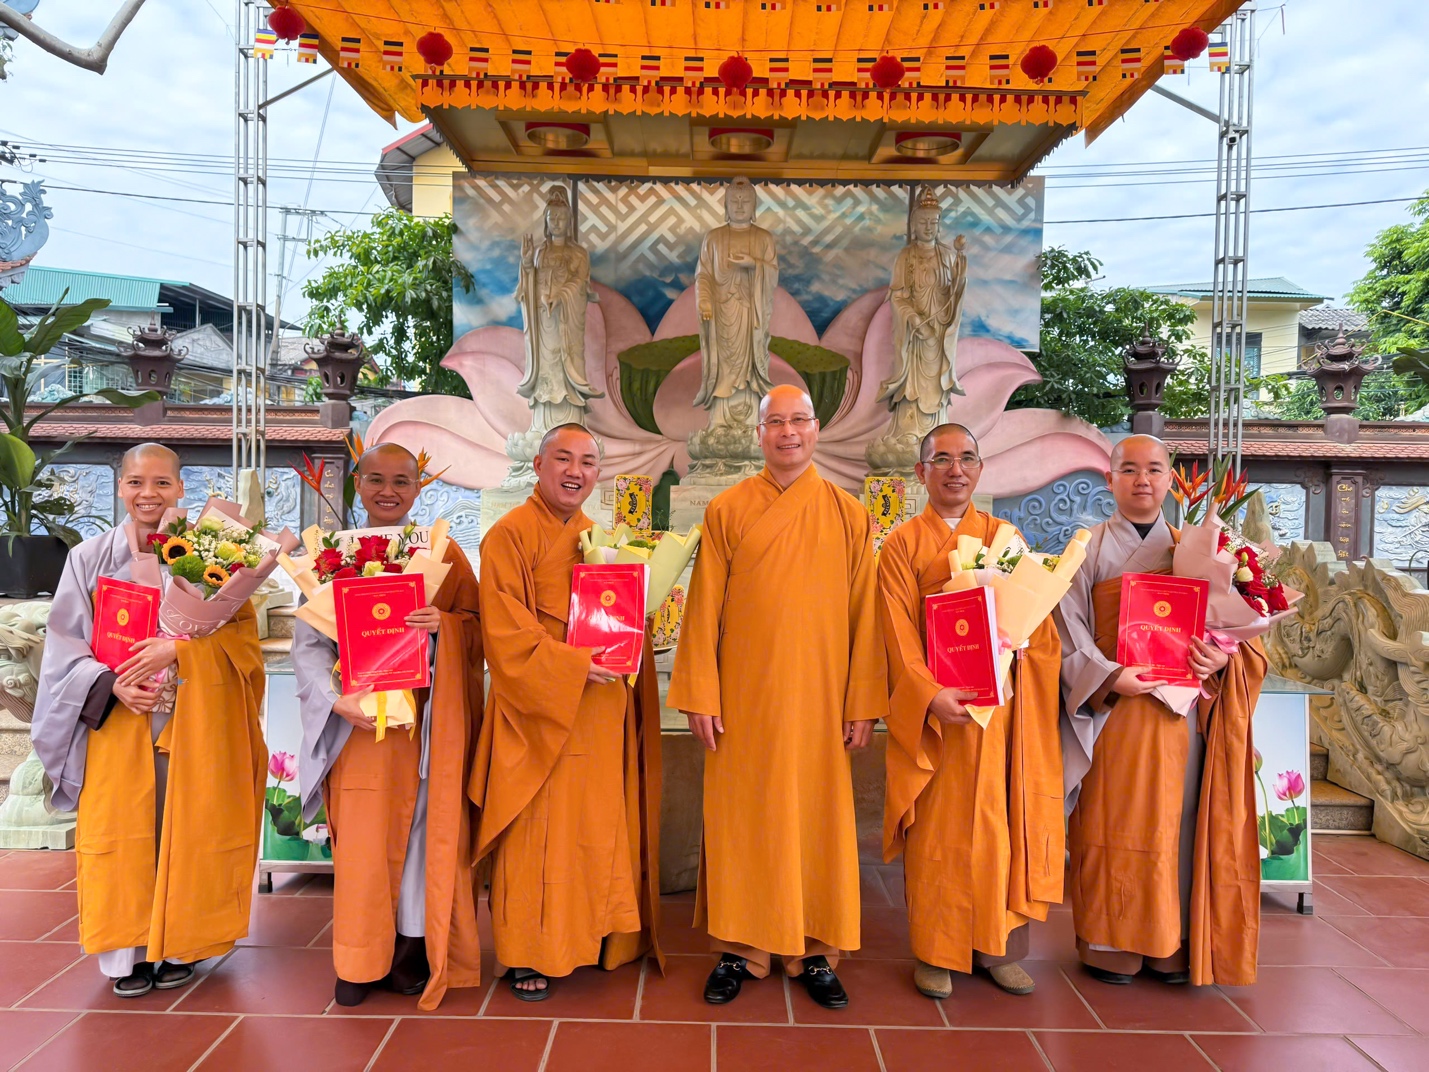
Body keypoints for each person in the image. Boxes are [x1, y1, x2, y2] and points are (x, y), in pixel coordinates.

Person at [669, 384, 887, 1009]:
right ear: (759, 434)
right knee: (744, 818)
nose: (787, 432)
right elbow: (704, 607)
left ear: (817, 430)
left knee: (817, 818)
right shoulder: (728, 510)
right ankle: (741, 947)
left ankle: (815, 950)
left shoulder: (849, 513)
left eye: (799, 420)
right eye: (776, 422)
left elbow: (864, 615)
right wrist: (700, 695)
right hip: (743, 700)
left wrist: (862, 701)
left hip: (821, 699)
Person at [32, 443, 267, 997]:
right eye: (137, 482)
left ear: (181, 488)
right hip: (119, 720)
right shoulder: (88, 557)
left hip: (192, 716)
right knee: (126, 834)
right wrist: (110, 682)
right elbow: (64, 645)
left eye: (162, 483)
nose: (149, 495)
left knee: (187, 829)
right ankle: (126, 955)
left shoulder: (215, 551)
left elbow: (243, 641)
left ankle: (178, 944)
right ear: (120, 486)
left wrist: (180, 653)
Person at [1055, 434, 1266, 986]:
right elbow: (1066, 633)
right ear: (1110, 479)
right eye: (1128, 469)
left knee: (1179, 823)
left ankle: (1171, 941)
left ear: (1172, 479)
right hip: (1115, 711)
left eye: (1153, 469)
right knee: (1111, 822)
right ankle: (1109, 943)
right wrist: (1108, 676)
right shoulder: (1085, 549)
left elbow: (1239, 639)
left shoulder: (1198, 550)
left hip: (1180, 716)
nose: (1141, 480)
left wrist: (1213, 660)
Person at [472, 423, 664, 1001]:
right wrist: (574, 664)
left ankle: (595, 935)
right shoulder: (508, 536)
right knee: (537, 833)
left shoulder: (599, 540)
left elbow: (621, 616)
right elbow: (504, 633)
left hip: (598, 709)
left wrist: (635, 629)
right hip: (538, 712)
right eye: (563, 458)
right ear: (538, 464)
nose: (574, 471)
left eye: (586, 461)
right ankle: (531, 951)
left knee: (592, 827)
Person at [292, 443, 484, 1009]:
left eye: (402, 481)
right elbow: (308, 643)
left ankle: (410, 953)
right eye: (376, 479)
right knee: (364, 843)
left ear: (419, 488)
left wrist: (443, 624)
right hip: (359, 725)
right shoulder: (328, 554)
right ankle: (358, 957)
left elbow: (478, 629)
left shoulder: (444, 553)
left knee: (423, 838)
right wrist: (336, 699)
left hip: (423, 724)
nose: (389, 492)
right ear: (356, 482)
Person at [879, 424, 1064, 1000]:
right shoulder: (901, 545)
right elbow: (895, 632)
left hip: (999, 713)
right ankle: (936, 949)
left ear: (980, 470)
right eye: (941, 459)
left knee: (1001, 826)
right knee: (940, 835)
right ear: (921, 473)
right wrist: (928, 694)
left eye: (966, 459)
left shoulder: (1005, 537)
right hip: (940, 716)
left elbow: (1038, 624)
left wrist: (1019, 649)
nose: (954, 469)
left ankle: (997, 948)